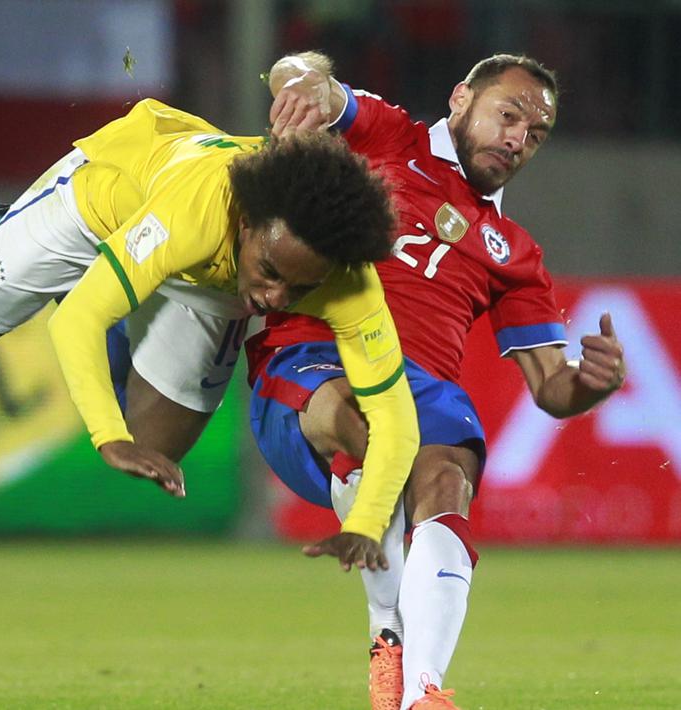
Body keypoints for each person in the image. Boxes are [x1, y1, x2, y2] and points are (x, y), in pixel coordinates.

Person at [0, 98, 420, 561]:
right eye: (271, 274)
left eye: (299, 289)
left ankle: (71, 270)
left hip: (207, 281)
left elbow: (394, 416)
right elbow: (83, 320)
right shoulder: (196, 211)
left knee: (157, 448)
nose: (275, 299)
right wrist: (106, 435)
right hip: (103, 207)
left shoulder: (346, 277)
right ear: (248, 221)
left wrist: (365, 527)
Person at [250, 52, 627, 709]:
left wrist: (591, 384)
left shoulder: (513, 252)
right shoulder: (387, 135)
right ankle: (385, 629)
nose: (517, 138)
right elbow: (308, 77)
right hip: (310, 364)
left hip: (418, 390)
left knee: (447, 473)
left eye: (534, 134)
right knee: (367, 421)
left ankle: (421, 690)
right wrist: (299, 81)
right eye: (508, 115)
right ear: (459, 99)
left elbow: (551, 388)